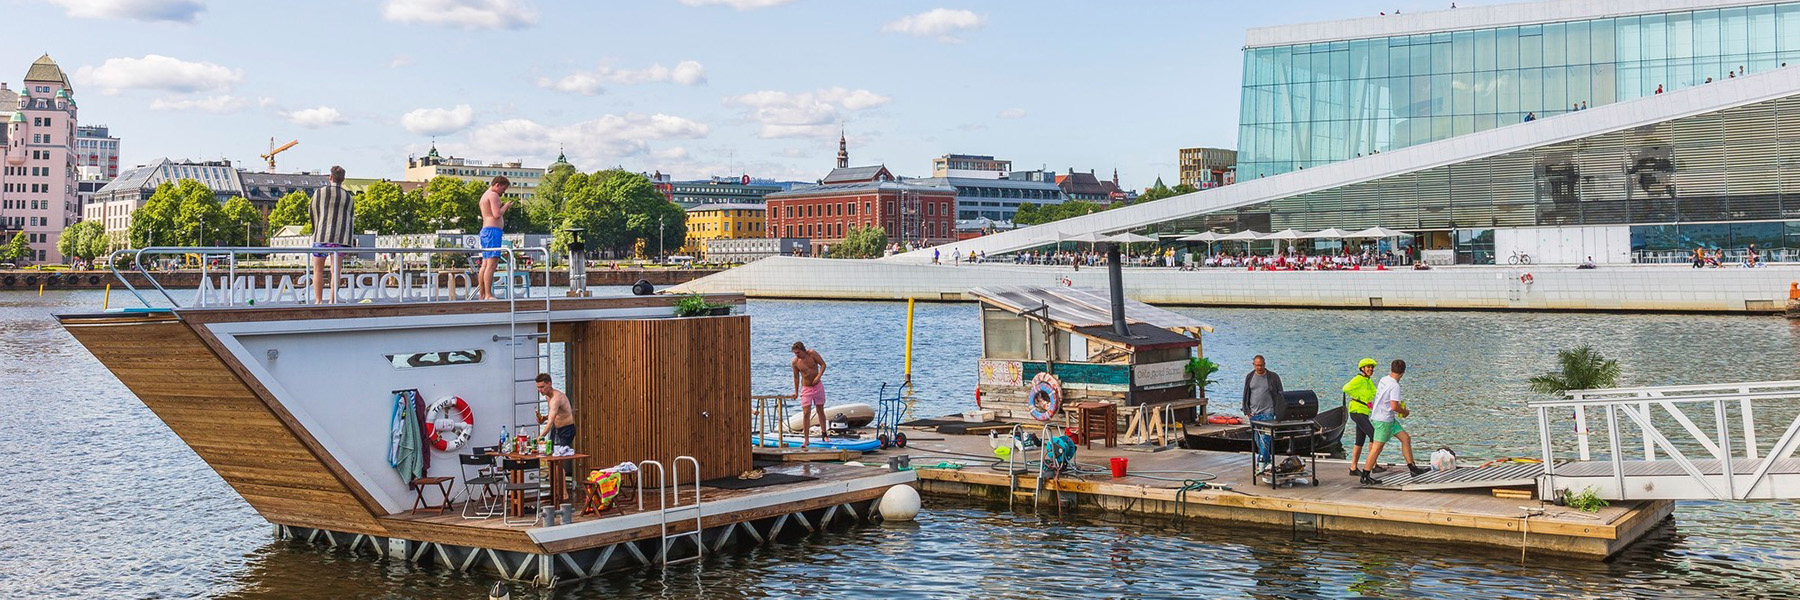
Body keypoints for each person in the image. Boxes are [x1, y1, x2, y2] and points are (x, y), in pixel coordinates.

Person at [1360, 360, 1428, 485]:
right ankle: (1365, 475)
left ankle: (1412, 468)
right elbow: (1393, 406)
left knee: (1405, 438)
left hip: (1387, 418)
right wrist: (1405, 412)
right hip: (1383, 420)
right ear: (1403, 373)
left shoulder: (1384, 379)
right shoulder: (1395, 386)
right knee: (1377, 448)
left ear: (1391, 369)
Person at [309, 166, 354, 304]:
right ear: (343, 179)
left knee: (318, 270)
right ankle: (332, 300)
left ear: (330, 177)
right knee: (336, 271)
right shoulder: (348, 197)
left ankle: (318, 300)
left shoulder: (319, 193)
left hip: (321, 236)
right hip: (340, 238)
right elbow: (350, 217)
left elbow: (312, 211)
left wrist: (316, 229)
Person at [1242, 355, 1284, 469]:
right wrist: (1246, 410)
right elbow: (1246, 394)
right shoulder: (1250, 377)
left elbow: (1281, 394)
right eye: (1257, 365)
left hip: (1268, 412)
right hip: (1254, 413)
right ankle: (1267, 461)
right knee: (1257, 439)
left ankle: (1261, 462)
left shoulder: (1273, 377)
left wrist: (1280, 411)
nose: (1259, 368)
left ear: (1265, 364)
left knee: (1265, 438)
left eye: (1261, 365)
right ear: (1253, 365)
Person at [477, 176, 513, 300]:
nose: (504, 192)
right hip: (492, 232)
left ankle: (482, 294)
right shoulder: (493, 195)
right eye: (503, 189)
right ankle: (488, 294)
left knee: (485, 264)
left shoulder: (485, 195)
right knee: (491, 265)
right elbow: (497, 214)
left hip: (486, 231)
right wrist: (506, 206)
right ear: (497, 185)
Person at [1342, 358, 1380, 477]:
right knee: (1374, 435)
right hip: (1356, 410)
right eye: (1368, 367)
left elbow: (1376, 393)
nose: (1370, 369)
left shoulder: (1368, 380)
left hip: (1363, 411)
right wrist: (1358, 397)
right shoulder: (1359, 379)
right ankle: (1373, 465)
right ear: (1362, 368)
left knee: (1360, 440)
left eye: (1372, 367)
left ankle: (1353, 468)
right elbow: (1346, 388)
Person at [791, 341, 828, 448]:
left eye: (798, 352)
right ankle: (806, 439)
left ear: (802, 350)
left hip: (817, 386)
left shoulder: (812, 354)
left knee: (820, 409)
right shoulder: (795, 362)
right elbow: (796, 377)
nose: (797, 355)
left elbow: (823, 365)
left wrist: (818, 377)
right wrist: (796, 392)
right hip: (806, 388)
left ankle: (824, 434)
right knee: (806, 413)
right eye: (795, 353)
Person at [534, 373, 574, 449]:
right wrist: (544, 418)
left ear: (549, 384)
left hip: (566, 429)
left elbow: (550, 423)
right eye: (538, 387)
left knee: (560, 454)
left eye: (542, 387)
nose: (540, 390)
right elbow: (555, 413)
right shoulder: (548, 396)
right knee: (550, 451)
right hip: (555, 428)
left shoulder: (556, 399)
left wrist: (540, 437)